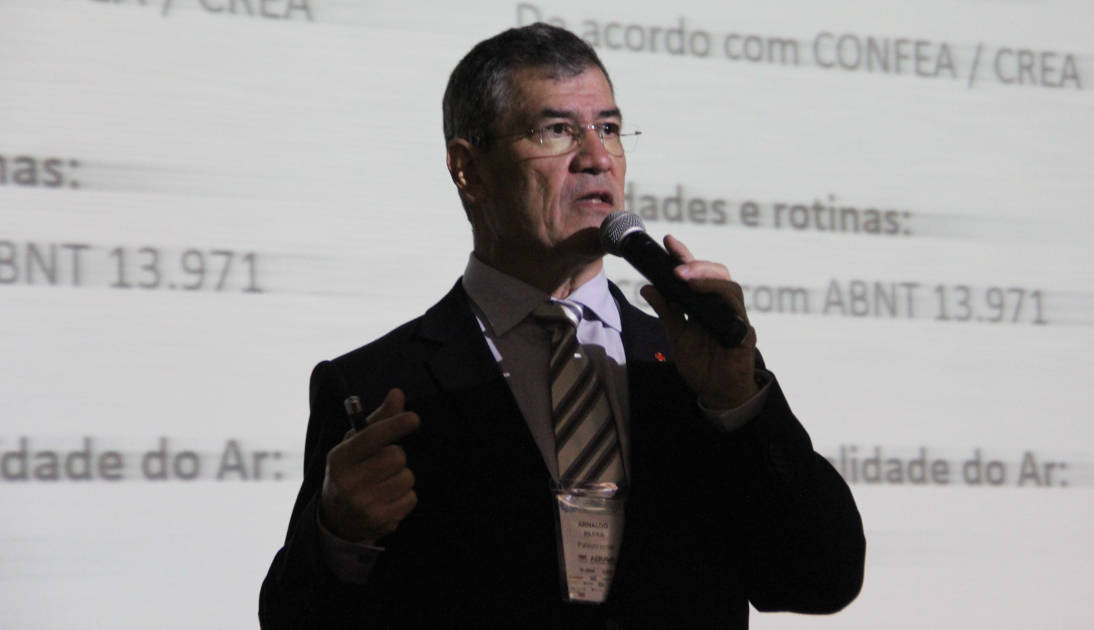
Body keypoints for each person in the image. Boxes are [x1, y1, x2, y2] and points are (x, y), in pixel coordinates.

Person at [260, 23, 864, 629]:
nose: (597, 158)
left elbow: (821, 579)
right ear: (468, 169)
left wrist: (739, 406)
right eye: (556, 130)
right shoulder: (377, 386)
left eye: (609, 129)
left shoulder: (693, 365)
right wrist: (339, 535)